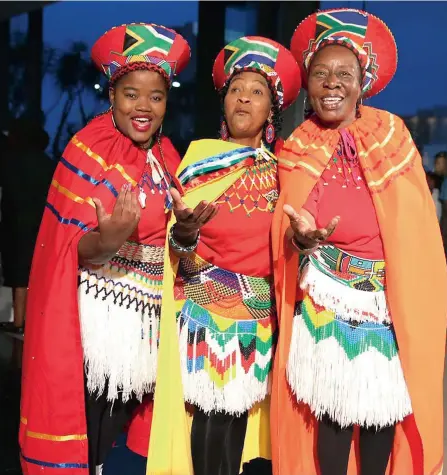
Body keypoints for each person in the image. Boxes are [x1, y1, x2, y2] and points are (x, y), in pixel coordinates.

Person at [18, 23, 212, 475]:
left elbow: (176, 251)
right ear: (112, 96)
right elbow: (70, 248)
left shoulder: (169, 160)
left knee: (121, 442)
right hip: (98, 323)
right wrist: (109, 239)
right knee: (91, 428)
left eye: (156, 97)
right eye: (131, 94)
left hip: (147, 325)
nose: (144, 107)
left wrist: (184, 234)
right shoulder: (87, 150)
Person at [270, 8, 447, 475]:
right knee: (331, 413)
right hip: (324, 297)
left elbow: (414, 224)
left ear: (362, 82)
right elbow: (285, 228)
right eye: (321, 73)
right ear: (308, 84)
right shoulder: (299, 144)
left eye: (343, 73)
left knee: (377, 415)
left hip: (384, 305)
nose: (331, 83)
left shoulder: (392, 134)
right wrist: (301, 239)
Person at [125, 36, 301, 475]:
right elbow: (175, 248)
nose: (244, 97)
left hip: (257, 316)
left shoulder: (286, 173)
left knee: (235, 425)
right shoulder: (199, 158)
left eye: (257, 91)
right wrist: (183, 236)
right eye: (236, 88)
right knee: (205, 423)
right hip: (202, 310)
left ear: (271, 111)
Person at [0, 118, 55, 335]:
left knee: (18, 273)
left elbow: (7, 193)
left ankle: (19, 321)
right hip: (42, 225)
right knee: (36, 273)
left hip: (16, 224)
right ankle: (32, 322)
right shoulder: (48, 164)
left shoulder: (11, 162)